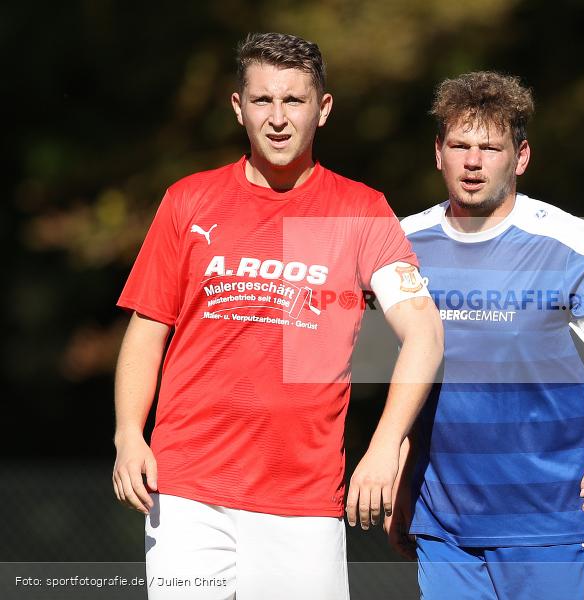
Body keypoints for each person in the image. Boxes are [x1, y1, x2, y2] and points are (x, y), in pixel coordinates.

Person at [112, 32, 443, 599]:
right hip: (187, 490)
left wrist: (385, 446)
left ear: (323, 108)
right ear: (238, 107)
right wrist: (127, 434)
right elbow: (148, 328)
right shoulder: (188, 200)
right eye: (263, 100)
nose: (278, 118)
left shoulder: (360, 210)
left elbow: (425, 334)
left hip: (303, 498)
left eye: (294, 100)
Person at [386, 71, 584, 600]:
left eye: (490, 148)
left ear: (521, 157)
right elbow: (409, 377)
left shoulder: (571, 241)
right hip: (444, 527)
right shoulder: (403, 243)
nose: (473, 162)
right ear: (438, 152)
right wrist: (400, 473)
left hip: (555, 521)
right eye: (460, 146)